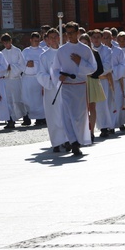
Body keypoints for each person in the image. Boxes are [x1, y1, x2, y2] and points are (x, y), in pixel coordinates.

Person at [52, 22, 97, 155]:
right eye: (67, 33)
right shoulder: (62, 50)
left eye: (72, 32)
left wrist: (80, 62)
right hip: (66, 86)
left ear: (78, 33)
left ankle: (79, 138)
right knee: (67, 115)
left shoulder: (85, 49)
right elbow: (54, 69)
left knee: (79, 116)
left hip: (80, 86)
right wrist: (58, 76)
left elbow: (93, 68)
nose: (69, 35)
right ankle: (73, 142)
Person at [36, 28, 69, 152]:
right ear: (47, 40)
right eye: (51, 37)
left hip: (65, 88)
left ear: (59, 38)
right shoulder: (44, 56)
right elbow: (40, 73)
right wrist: (51, 78)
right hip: (51, 89)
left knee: (65, 114)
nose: (54, 39)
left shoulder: (65, 52)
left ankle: (67, 140)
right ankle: (56, 141)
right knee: (53, 115)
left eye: (56, 36)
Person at [79, 33, 106, 142]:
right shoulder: (76, 54)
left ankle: (91, 131)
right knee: (81, 108)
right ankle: (82, 130)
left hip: (92, 81)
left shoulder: (94, 53)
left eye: (86, 43)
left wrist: (90, 73)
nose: (84, 45)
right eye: (82, 43)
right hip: (81, 81)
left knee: (92, 107)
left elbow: (100, 69)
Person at [90, 29, 116, 137]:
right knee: (91, 105)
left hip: (102, 79)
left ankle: (104, 127)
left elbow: (108, 66)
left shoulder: (107, 50)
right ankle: (89, 129)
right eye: (94, 37)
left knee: (102, 104)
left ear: (101, 38)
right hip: (90, 79)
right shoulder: (88, 50)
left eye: (98, 37)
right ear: (91, 38)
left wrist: (94, 70)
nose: (96, 39)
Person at [0, 33, 27, 128]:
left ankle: (25, 116)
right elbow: (1, 66)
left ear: (11, 41)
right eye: (4, 43)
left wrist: (12, 67)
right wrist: (6, 69)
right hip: (7, 79)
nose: (6, 45)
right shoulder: (2, 53)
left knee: (18, 99)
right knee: (9, 100)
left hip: (16, 78)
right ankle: (11, 120)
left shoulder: (17, 51)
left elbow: (22, 65)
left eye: (7, 42)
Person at [21, 32, 46, 125]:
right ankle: (26, 117)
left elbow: (44, 64)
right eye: (35, 41)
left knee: (38, 100)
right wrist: (26, 64)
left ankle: (40, 118)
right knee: (26, 98)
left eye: (38, 41)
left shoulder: (42, 51)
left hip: (37, 79)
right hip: (27, 78)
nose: (37, 42)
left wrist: (34, 64)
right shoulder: (25, 51)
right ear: (30, 40)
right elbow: (20, 63)